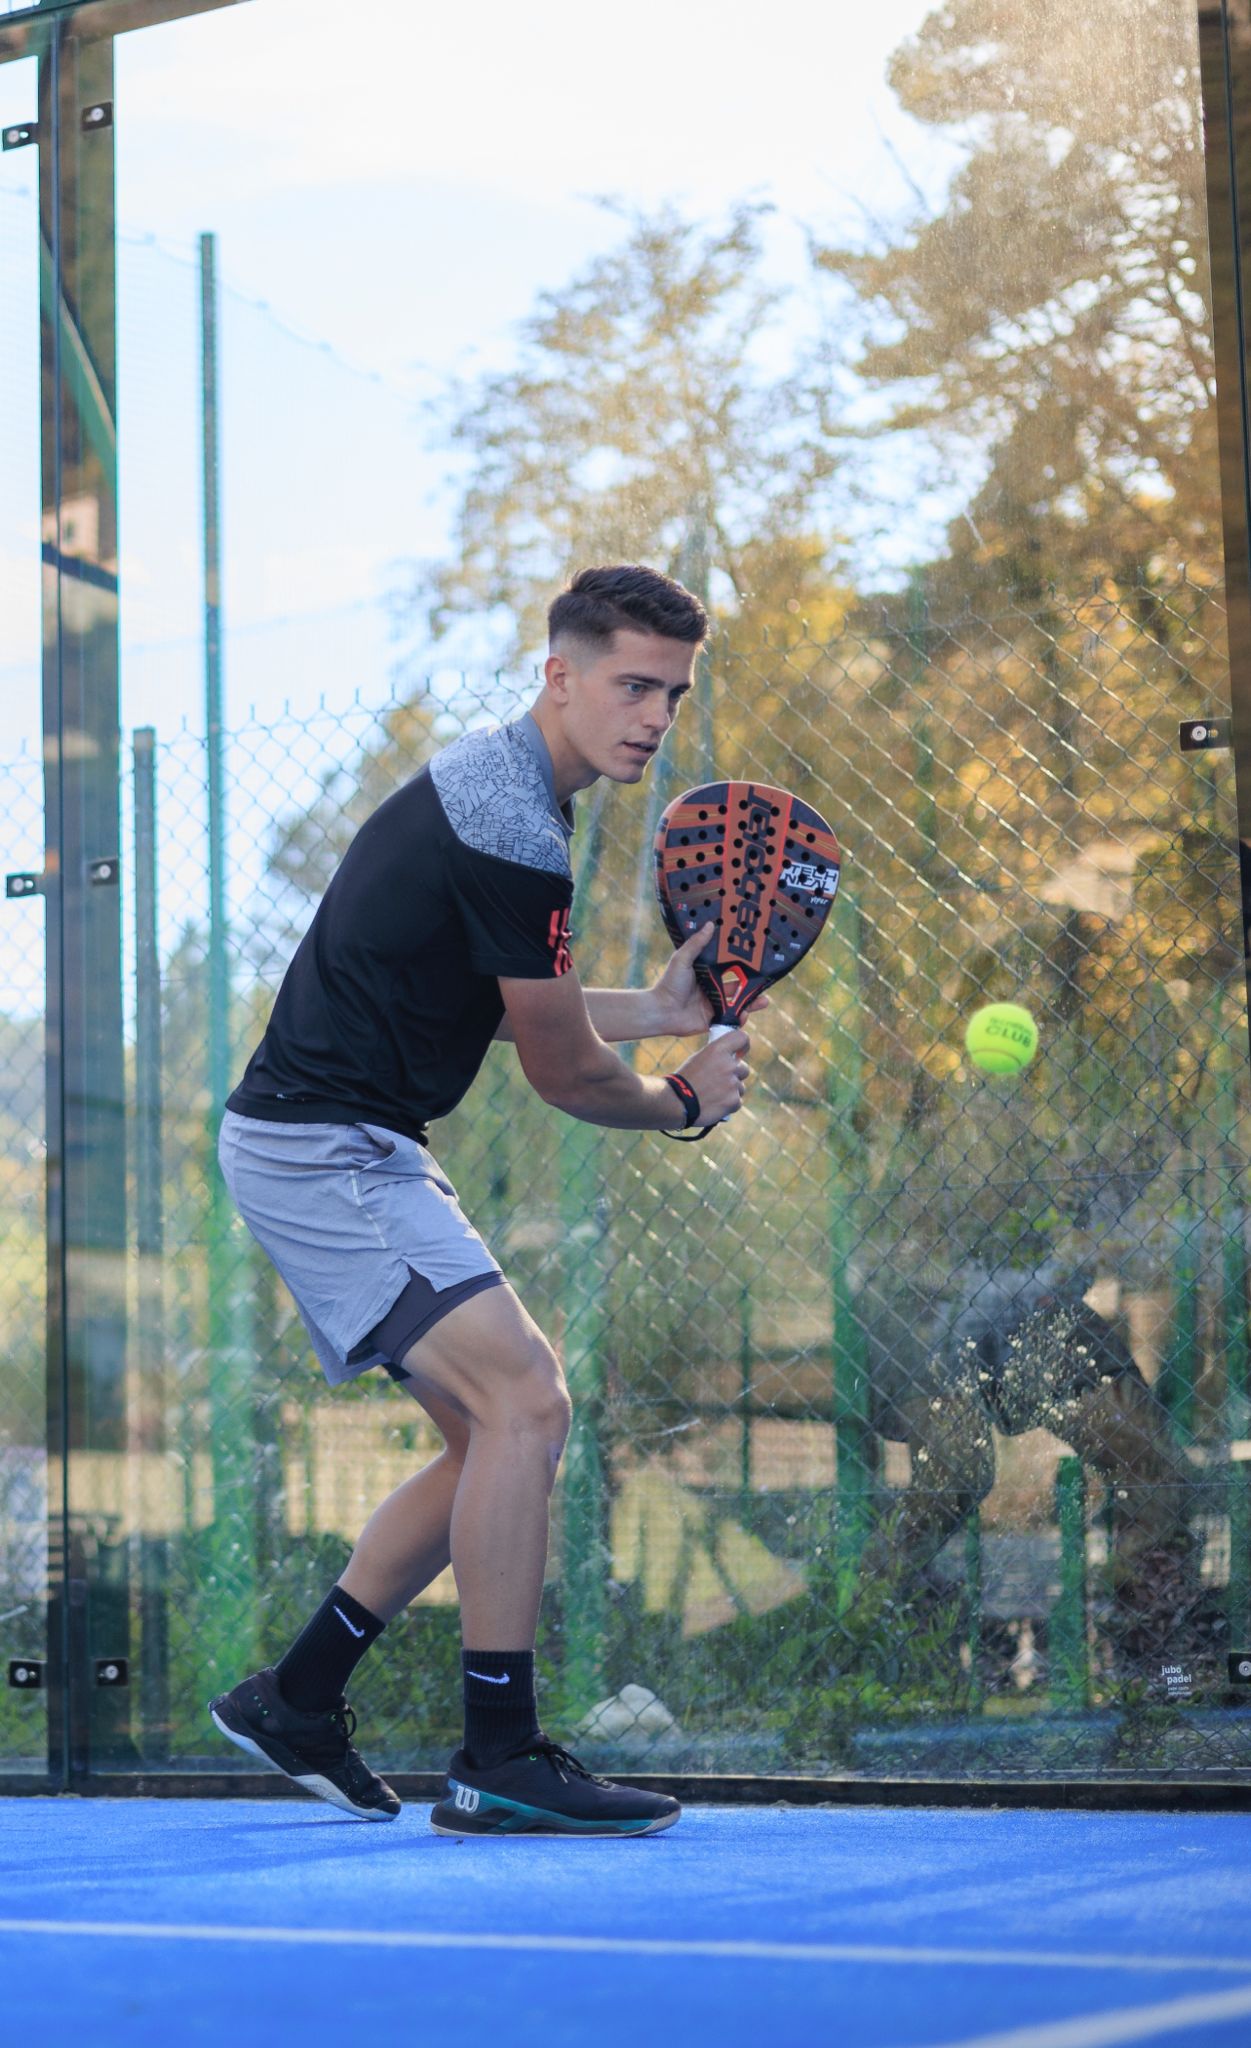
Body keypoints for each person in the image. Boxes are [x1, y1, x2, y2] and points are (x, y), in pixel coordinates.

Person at [209, 563, 752, 1836]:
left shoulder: (503, 793)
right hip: (321, 1147)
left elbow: (508, 1004)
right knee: (530, 1399)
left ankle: (298, 1696)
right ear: (559, 675)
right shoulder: (513, 825)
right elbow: (564, 1071)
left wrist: (657, 1010)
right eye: (632, 685)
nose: (654, 717)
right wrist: (683, 1101)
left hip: (352, 1141)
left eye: (673, 695)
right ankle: (499, 1754)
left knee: (487, 1441)